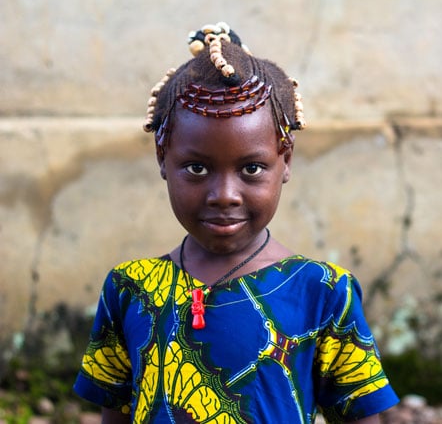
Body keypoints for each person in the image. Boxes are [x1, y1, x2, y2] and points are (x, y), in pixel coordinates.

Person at [73, 22, 399, 423]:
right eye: (196, 167)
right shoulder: (130, 289)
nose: (224, 194)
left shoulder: (323, 292)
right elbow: (114, 415)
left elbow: (361, 416)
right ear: (162, 159)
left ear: (286, 161)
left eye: (251, 168)